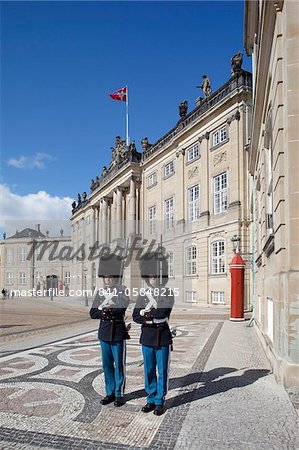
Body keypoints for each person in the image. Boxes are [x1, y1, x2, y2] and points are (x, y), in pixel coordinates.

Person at [133, 251, 174, 416]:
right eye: (150, 276)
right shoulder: (143, 294)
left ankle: (159, 400)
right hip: (147, 338)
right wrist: (146, 315)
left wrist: (145, 314)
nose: (153, 279)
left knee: (162, 370)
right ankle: (150, 398)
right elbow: (135, 316)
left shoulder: (167, 293)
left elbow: (162, 313)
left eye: (156, 276)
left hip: (162, 337)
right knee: (149, 370)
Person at [90, 253, 130, 407]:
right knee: (106, 365)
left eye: (111, 277)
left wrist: (106, 309)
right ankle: (110, 392)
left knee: (119, 365)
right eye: (105, 277)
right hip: (104, 333)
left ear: (115, 277)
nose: (108, 279)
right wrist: (104, 310)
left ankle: (119, 393)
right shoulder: (100, 293)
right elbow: (93, 313)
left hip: (118, 332)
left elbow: (121, 308)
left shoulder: (123, 291)